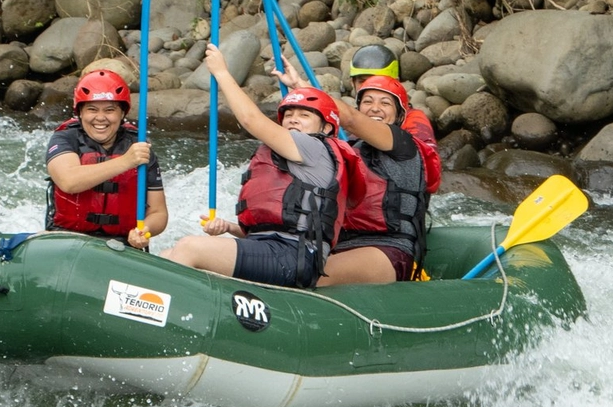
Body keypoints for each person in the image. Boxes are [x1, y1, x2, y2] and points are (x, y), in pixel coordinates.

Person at [162, 44, 360, 288]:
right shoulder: (291, 154)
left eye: (304, 115)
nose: (293, 119)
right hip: (271, 248)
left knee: (189, 248)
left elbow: (251, 120)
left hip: (294, 256)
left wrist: (222, 72)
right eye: (289, 115)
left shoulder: (315, 147)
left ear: (326, 128)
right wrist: (230, 227)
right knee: (167, 255)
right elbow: (276, 225)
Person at [320, 74, 431, 284]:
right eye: (368, 102)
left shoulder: (403, 145)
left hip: (390, 249)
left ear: (399, 115)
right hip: (342, 245)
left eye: (385, 103)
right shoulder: (347, 151)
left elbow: (351, 120)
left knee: (311, 273)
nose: (375, 108)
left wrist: (300, 86)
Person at [46, 69, 167, 250]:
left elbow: (159, 213)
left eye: (110, 110)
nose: (101, 118)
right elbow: (68, 181)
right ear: (80, 113)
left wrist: (144, 230)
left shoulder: (138, 146)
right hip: (67, 239)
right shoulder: (65, 139)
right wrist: (126, 162)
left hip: (121, 244)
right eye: (92, 109)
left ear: (122, 113)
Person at [347, 43, 442, 194]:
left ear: (396, 82)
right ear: (352, 83)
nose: (371, 85)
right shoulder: (353, 122)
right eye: (362, 81)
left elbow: (430, 175)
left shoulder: (415, 120)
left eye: (378, 80)